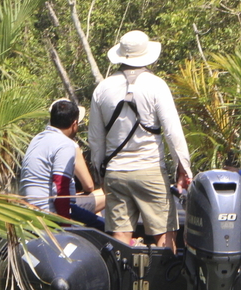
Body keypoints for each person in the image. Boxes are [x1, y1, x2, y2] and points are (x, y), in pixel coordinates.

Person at [87, 30, 193, 251]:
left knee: (120, 238)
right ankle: (164, 283)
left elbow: (95, 141)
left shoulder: (102, 89)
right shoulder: (156, 85)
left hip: (116, 173)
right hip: (150, 170)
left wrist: (101, 174)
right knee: (165, 237)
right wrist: (184, 168)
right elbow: (173, 132)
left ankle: (122, 282)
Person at [19, 99, 105, 229]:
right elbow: (60, 187)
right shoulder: (66, 144)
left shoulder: (37, 139)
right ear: (74, 124)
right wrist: (66, 225)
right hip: (50, 213)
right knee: (106, 228)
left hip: (29, 210)